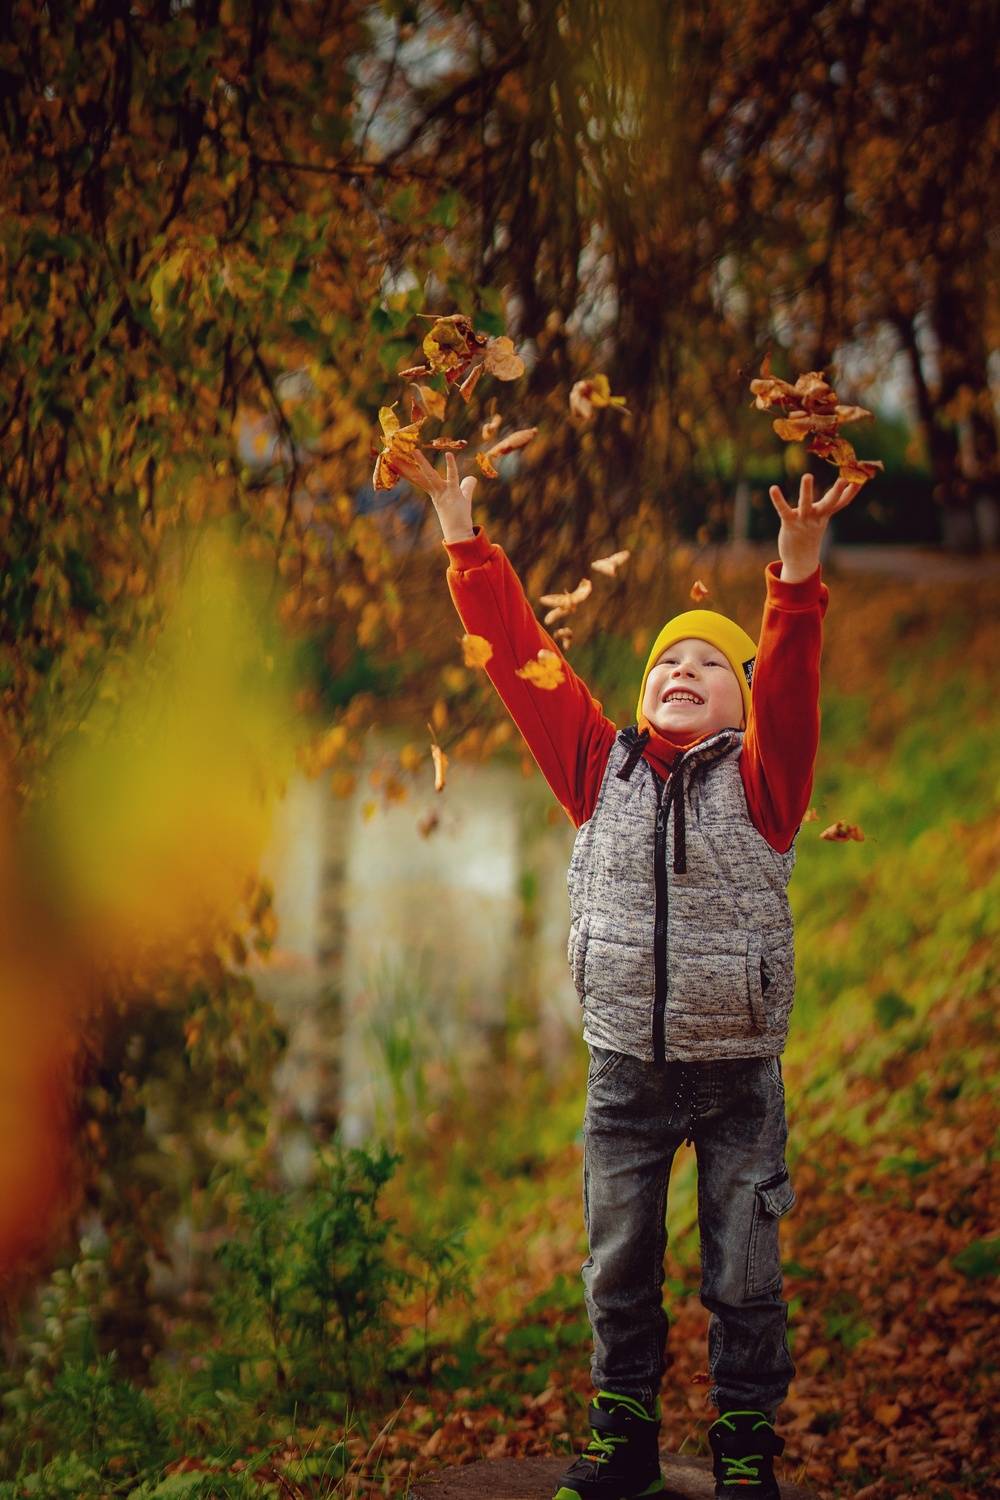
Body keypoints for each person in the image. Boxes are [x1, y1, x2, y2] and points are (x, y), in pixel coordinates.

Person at [392, 446, 860, 1500]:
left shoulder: (768, 783)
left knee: (744, 1277)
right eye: (665, 662)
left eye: (708, 664)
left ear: (744, 701)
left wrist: (795, 573)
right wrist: (462, 538)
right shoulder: (595, 766)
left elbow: (791, 681)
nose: (680, 671)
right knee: (617, 1271)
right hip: (625, 1079)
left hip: (737, 1077)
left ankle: (745, 1450)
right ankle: (625, 1441)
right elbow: (519, 656)